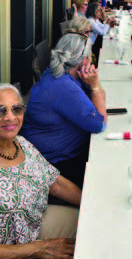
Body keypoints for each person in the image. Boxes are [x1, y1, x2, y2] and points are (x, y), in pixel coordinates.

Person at [0, 84, 81, 257]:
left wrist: (92, 204)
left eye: (16, 109)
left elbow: (55, 183)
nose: (10, 117)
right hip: (11, 249)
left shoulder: (21, 143)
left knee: (91, 223)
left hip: (33, 225)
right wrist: (41, 248)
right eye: (1, 111)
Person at [20, 34, 107, 188]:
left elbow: (98, 100)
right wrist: (95, 86)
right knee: (106, 177)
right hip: (53, 165)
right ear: (84, 60)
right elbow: (99, 125)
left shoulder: (57, 73)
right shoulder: (62, 85)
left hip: (48, 155)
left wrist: (93, 86)